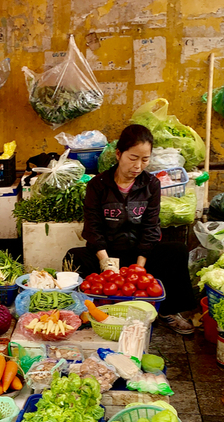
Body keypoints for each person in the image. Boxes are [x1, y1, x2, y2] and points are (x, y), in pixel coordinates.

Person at [64, 124, 196, 334]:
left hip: (139, 254)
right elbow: (92, 227)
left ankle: (168, 311)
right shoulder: (98, 185)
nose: (138, 166)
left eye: (145, 159)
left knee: (177, 251)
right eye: (133, 158)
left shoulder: (151, 184)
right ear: (119, 154)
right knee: (73, 257)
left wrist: (139, 269)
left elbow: (151, 227)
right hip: (107, 253)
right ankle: (87, 311)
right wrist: (106, 263)